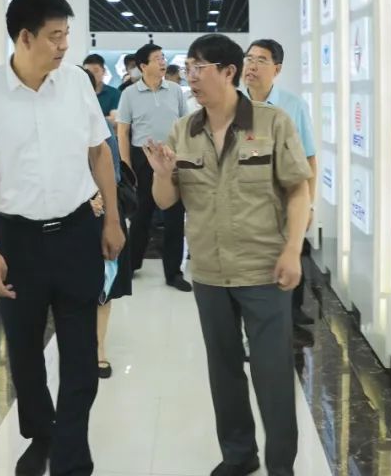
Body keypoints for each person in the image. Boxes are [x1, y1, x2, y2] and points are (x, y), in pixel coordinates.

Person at [0, 0, 125, 476]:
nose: (64, 45)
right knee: (25, 353)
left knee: (81, 356)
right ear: (24, 37)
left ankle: (70, 455)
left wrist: (112, 219)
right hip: (18, 240)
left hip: (76, 233)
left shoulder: (75, 84)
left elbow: (99, 152)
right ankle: (41, 433)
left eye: (67, 34)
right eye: (55, 36)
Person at [143, 34, 312, 476]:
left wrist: (293, 249)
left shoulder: (273, 123)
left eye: (199, 68)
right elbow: (165, 201)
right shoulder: (184, 130)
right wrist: (162, 175)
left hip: (264, 271)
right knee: (224, 369)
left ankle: (281, 466)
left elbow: (298, 190)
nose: (191, 77)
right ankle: (239, 455)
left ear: (228, 72)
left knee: (273, 374)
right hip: (209, 272)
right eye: (188, 68)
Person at [242, 39, 318, 328]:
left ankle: (292, 314)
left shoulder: (293, 106)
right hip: (246, 202)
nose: (252, 66)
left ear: (277, 68)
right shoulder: (232, 104)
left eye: (261, 60)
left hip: (286, 197)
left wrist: (309, 204)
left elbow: (309, 157)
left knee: (291, 252)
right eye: (249, 59)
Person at [116, 43, 191, 292]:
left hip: (171, 156)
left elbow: (184, 125)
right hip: (143, 158)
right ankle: (131, 265)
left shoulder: (175, 90)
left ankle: (173, 272)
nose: (163, 62)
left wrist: (182, 156)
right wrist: (127, 166)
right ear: (143, 66)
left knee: (174, 216)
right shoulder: (129, 94)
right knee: (141, 215)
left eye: (163, 58)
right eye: (157, 58)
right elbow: (123, 132)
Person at [80, 66, 133, 379]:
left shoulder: (100, 128)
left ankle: (99, 350)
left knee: (103, 286)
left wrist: (99, 200)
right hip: (67, 220)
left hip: (101, 215)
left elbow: (112, 174)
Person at [82, 53, 121, 120]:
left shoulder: (115, 94)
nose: (92, 75)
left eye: (96, 71)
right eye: (88, 72)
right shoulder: (79, 93)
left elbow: (114, 119)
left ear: (103, 71)